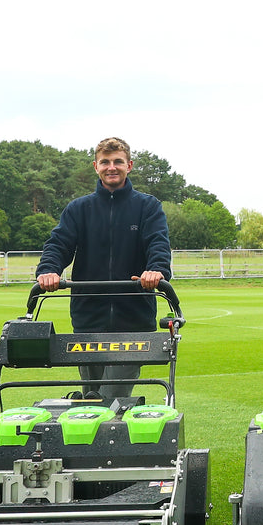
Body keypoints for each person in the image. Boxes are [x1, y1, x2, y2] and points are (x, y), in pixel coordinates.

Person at [36, 136, 172, 402]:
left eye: (118, 162)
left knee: (112, 398)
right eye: (105, 162)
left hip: (133, 320)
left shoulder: (147, 207)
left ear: (129, 165)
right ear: (95, 166)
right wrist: (49, 270)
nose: (112, 167)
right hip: (88, 318)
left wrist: (155, 271)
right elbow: (59, 244)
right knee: (92, 397)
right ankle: (89, 442)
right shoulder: (79, 209)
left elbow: (158, 243)